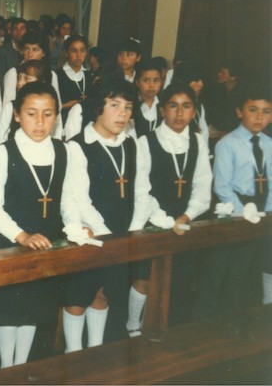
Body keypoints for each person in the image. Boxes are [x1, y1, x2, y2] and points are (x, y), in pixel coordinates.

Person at [0, 81, 78, 367]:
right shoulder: (4, 152)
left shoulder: (63, 151)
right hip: (12, 243)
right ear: (17, 115)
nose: (40, 122)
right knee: (10, 311)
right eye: (31, 113)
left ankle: (21, 365)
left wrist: (74, 227)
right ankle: (5, 367)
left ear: (56, 117)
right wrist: (20, 235)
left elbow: (68, 199)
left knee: (34, 308)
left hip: (46, 242)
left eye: (48, 114)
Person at [63, 80, 149, 352]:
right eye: (114, 105)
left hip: (123, 232)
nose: (123, 114)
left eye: (128, 107)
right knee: (78, 295)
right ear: (98, 107)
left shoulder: (132, 145)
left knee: (103, 293)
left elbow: (142, 190)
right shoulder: (79, 145)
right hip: (91, 232)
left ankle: (96, 352)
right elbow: (80, 198)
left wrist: (133, 231)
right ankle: (74, 355)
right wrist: (105, 233)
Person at [128, 83, 212, 336]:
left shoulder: (197, 141)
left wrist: (186, 216)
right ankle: (132, 325)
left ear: (194, 111)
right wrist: (164, 219)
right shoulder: (145, 142)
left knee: (177, 278)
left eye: (186, 107)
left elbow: (202, 186)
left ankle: (161, 326)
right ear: (162, 110)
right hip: (153, 219)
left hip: (184, 221)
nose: (179, 113)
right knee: (144, 278)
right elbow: (142, 189)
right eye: (173, 106)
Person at [194, 82, 272, 320]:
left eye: (266, 111)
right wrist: (243, 214)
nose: (259, 117)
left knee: (246, 273)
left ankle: (238, 323)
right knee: (221, 273)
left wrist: (267, 213)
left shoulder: (269, 144)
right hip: (233, 213)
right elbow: (223, 187)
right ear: (239, 111)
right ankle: (206, 324)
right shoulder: (227, 144)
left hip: (262, 213)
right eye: (253, 110)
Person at [0, 59, 52, 147]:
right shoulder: (11, 107)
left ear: (42, 82)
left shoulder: (50, 109)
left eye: (26, 79)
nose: (20, 83)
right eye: (19, 78)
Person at [56, 34, 91, 126]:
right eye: (74, 51)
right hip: (63, 121)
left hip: (84, 121)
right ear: (66, 53)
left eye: (82, 50)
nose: (78, 55)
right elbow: (51, 105)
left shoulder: (88, 75)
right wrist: (65, 106)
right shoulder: (58, 75)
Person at [130, 59, 164, 138]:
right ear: (137, 82)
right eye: (146, 80)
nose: (151, 85)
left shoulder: (164, 104)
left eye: (156, 80)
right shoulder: (130, 104)